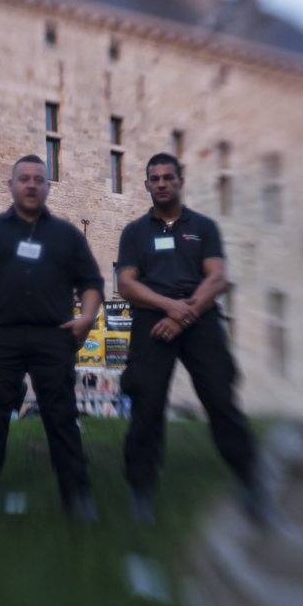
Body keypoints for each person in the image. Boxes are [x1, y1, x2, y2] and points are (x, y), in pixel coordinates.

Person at [116, 153, 271, 527]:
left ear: (181, 181)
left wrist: (183, 315)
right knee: (147, 404)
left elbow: (216, 278)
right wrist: (169, 307)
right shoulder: (135, 232)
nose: (162, 183)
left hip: (199, 318)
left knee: (220, 400)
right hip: (153, 320)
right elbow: (126, 284)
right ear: (147, 185)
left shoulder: (203, 227)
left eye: (168, 177)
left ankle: (251, 482)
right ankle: (141, 489)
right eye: (155, 178)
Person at [0, 154, 104, 523]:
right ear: (11, 185)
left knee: (62, 416)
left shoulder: (67, 235)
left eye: (39, 179)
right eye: (24, 178)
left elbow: (91, 282)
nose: (32, 185)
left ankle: (76, 494)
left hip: (53, 337)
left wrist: (86, 318)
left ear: (48, 187)